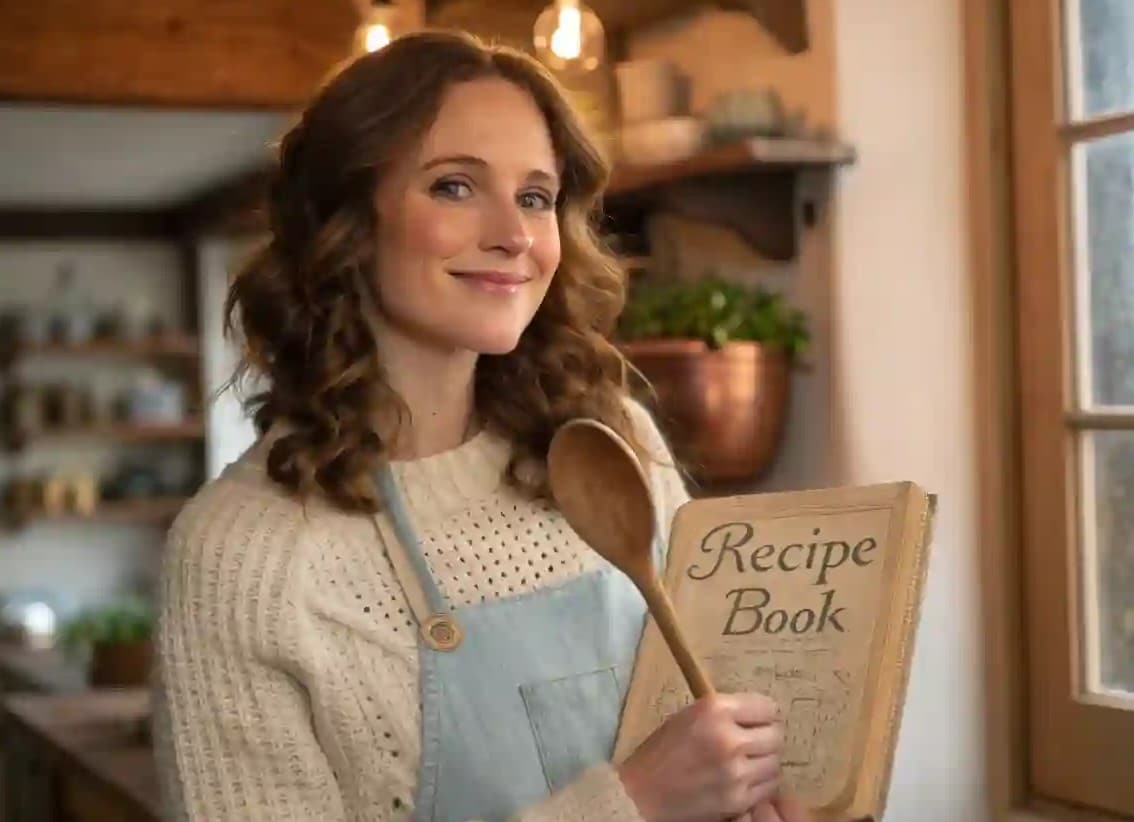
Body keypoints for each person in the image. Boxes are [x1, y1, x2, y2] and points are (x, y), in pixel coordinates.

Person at [153, 29, 812, 822]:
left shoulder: (614, 439)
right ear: (347, 224)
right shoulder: (242, 557)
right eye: (455, 187)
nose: (514, 235)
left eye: (535, 197)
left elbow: (715, 719)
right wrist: (631, 805)